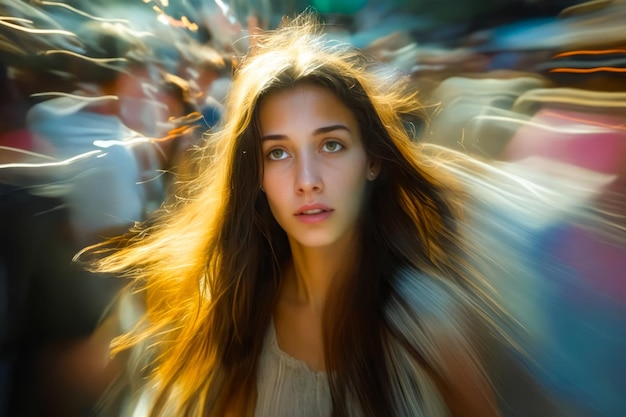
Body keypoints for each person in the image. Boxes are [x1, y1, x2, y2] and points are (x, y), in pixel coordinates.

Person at [82, 13, 597, 417]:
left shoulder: (426, 318)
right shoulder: (232, 309)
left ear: (372, 160)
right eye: (277, 153)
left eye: (330, 144)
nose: (307, 178)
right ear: (254, 178)